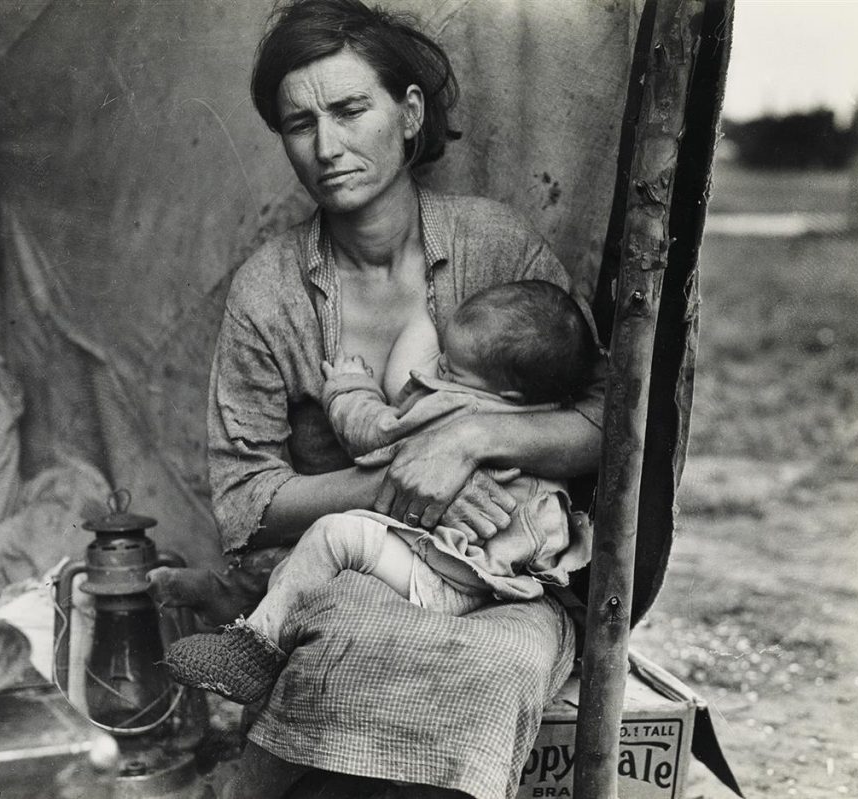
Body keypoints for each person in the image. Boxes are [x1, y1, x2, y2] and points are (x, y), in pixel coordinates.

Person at [149, 1, 607, 796]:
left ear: (408, 113)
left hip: (505, 582)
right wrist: (398, 483)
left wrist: (466, 446)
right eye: (299, 124)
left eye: (350, 109)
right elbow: (244, 502)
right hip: (357, 572)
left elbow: (607, 425)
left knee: (501, 665)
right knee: (349, 647)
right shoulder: (270, 292)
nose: (327, 146)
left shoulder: (496, 248)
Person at [163, 280, 597, 706]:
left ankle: (253, 653)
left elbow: (375, 434)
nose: (437, 368)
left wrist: (350, 387)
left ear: (507, 393)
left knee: (335, 536)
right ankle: (238, 598)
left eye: (449, 368)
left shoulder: (459, 406)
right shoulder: (543, 417)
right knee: (325, 559)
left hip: (451, 578)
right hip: (489, 572)